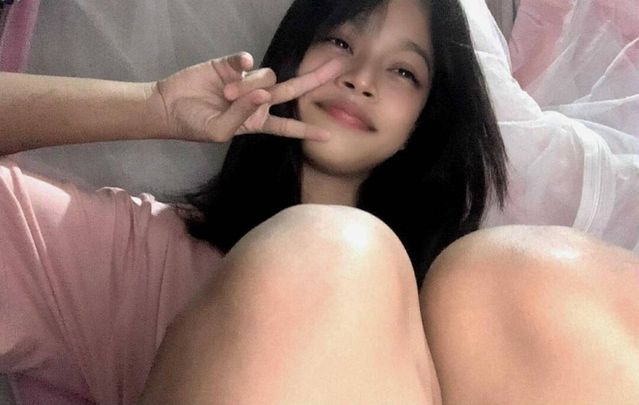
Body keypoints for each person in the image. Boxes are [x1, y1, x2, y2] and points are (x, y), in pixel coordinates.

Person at [1, 0, 638, 404]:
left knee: (516, 271)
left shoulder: (484, 307)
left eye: (404, 71)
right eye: (340, 42)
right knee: (333, 249)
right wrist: (151, 107)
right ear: (291, 54)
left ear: (423, 123)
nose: (361, 78)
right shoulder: (137, 255)